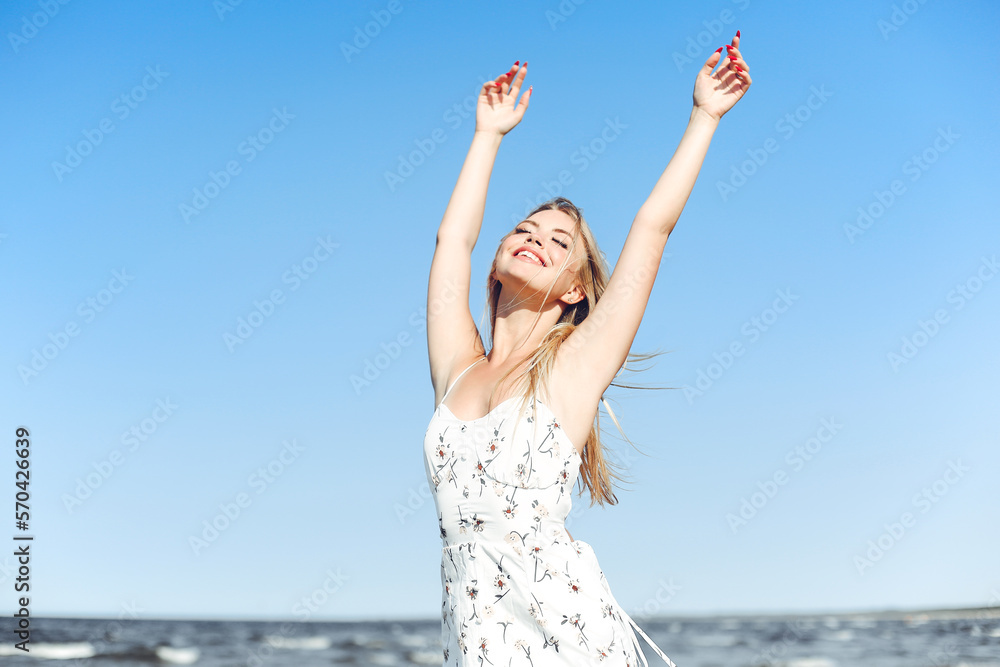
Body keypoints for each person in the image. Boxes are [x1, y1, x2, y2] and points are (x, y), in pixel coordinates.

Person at [422, 32, 751, 667]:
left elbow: (652, 227)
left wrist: (705, 116)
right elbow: (451, 244)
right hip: (476, 638)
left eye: (558, 242)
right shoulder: (458, 369)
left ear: (576, 288)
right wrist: (487, 136)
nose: (535, 239)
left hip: (564, 637)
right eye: (525, 229)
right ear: (497, 261)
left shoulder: (571, 371)